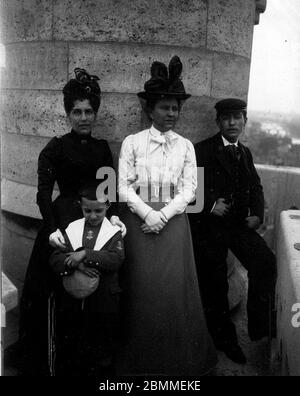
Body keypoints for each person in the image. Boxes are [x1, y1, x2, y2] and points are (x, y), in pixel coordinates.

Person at [18, 68, 125, 375]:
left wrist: (114, 218)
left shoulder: (102, 149)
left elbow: (110, 189)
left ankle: (91, 359)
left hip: (95, 222)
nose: (83, 118)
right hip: (61, 223)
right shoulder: (55, 147)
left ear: (96, 114)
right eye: (76, 111)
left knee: (99, 291)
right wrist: (52, 230)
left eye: (89, 111)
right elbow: (42, 194)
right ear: (67, 114)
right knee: (54, 291)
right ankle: (53, 361)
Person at [116, 56, 217, 375]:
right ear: (150, 109)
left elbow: (190, 190)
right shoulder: (132, 143)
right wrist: (148, 213)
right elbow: (121, 186)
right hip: (138, 221)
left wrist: (164, 216)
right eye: (165, 107)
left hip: (173, 224)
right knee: (143, 290)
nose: (171, 114)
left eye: (176, 108)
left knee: (173, 292)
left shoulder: (186, 146)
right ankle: (140, 362)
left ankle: (175, 363)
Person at [189, 98, 277, 364]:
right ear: (218, 122)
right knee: (215, 282)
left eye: (237, 117)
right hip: (210, 227)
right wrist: (210, 205)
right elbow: (188, 188)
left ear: (244, 121)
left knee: (265, 261)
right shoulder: (201, 150)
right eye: (226, 118)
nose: (232, 123)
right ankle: (225, 341)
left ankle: (259, 329)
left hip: (238, 226)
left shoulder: (245, 152)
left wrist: (258, 214)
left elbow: (257, 187)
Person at [49, 181, 124, 376]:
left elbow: (116, 259)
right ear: (80, 207)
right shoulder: (73, 228)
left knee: (101, 349)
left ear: (107, 206)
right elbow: (55, 258)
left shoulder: (114, 233)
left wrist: (86, 255)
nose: (92, 216)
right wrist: (77, 264)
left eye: (98, 211)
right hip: (74, 301)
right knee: (74, 345)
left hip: (103, 303)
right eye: (87, 211)